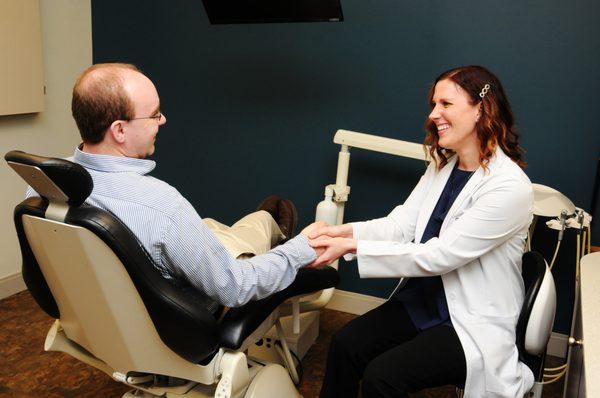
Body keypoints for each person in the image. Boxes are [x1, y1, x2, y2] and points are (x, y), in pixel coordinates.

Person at [308, 66, 534, 397]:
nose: (434, 114)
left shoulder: (509, 187)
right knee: (345, 343)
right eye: (433, 104)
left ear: (481, 109)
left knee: (382, 377)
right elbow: (401, 225)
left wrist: (349, 248)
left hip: (469, 319)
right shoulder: (443, 166)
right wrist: (340, 233)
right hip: (425, 300)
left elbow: (441, 255)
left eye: (445, 104)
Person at [27, 63, 322, 315]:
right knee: (255, 228)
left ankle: (247, 229)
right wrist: (302, 249)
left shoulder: (44, 189)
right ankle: (274, 230)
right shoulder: (161, 205)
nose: (163, 120)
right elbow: (236, 288)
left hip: (99, 318)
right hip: (178, 318)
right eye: (155, 114)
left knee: (208, 228)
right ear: (119, 130)